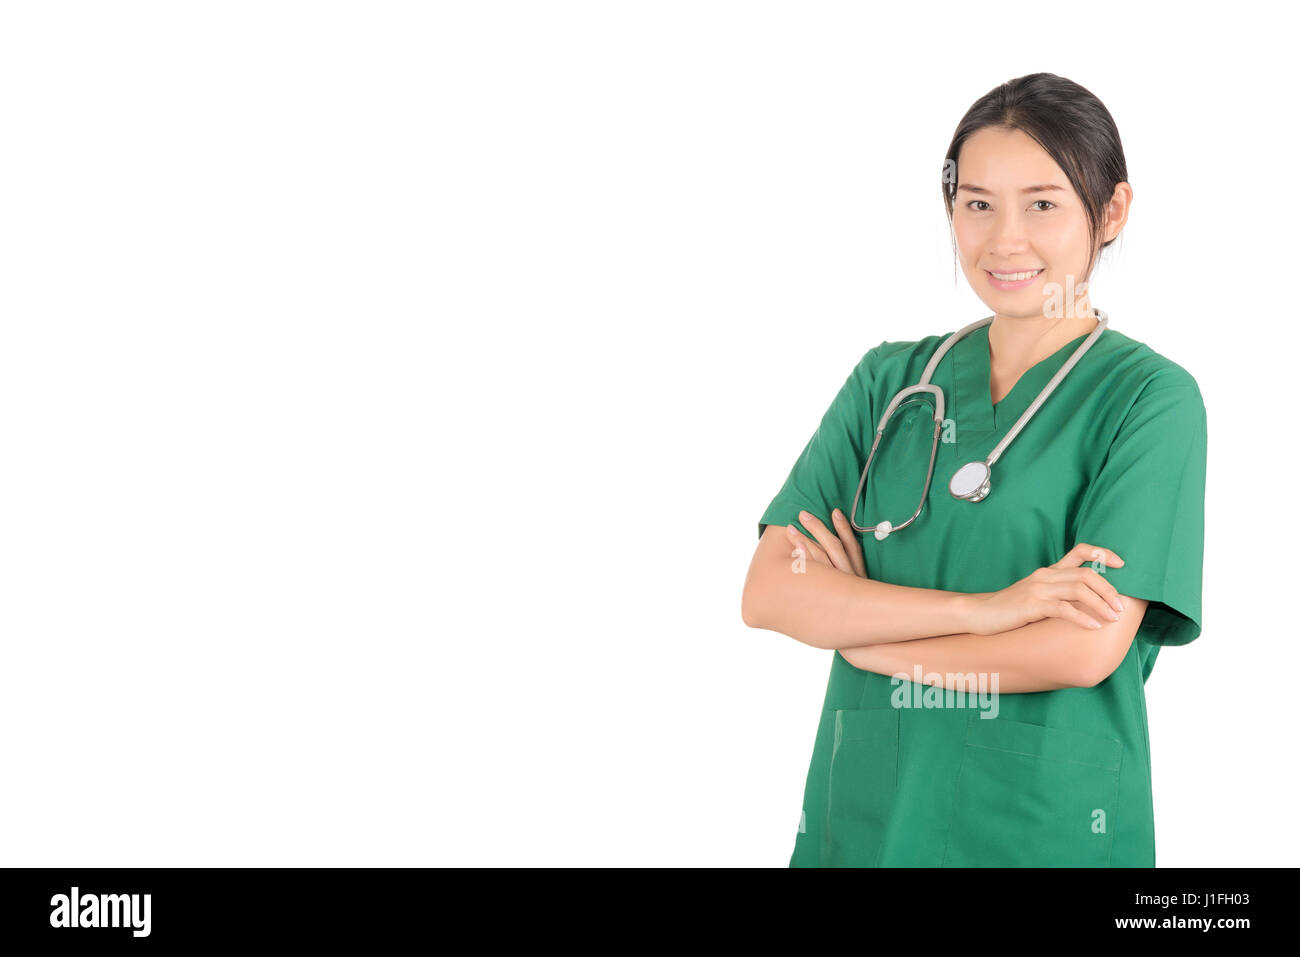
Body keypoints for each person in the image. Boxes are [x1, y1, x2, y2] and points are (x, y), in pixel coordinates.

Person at [740, 72, 1206, 867]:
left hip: (1039, 826)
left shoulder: (1149, 400)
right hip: (868, 814)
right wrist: (990, 611)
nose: (1004, 240)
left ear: (1113, 211)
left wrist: (868, 636)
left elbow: (1080, 649)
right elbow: (771, 591)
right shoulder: (889, 384)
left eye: (1044, 203)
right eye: (978, 203)